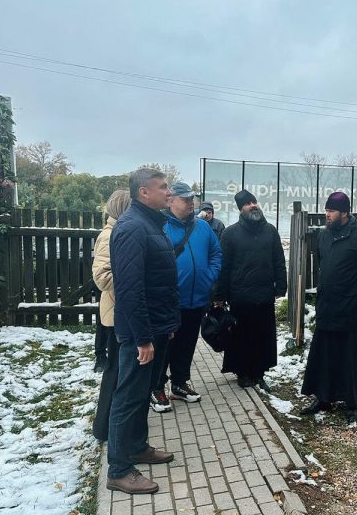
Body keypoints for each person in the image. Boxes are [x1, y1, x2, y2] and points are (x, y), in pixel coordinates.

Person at [106, 168, 180, 495]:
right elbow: (131, 289)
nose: (169, 192)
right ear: (143, 193)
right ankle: (119, 470)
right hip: (141, 334)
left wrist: (167, 327)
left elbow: (160, 281)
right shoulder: (132, 228)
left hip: (157, 327)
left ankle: (137, 447)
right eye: (163, 187)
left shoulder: (153, 224)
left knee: (141, 396)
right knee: (127, 398)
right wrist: (143, 338)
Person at [300, 191, 357, 423]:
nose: (327, 214)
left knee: (349, 355)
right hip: (327, 305)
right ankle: (323, 397)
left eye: (332, 211)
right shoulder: (324, 236)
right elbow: (323, 264)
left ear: (345, 212)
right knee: (324, 354)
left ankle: (351, 401)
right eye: (326, 210)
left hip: (351, 308)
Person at [152, 182, 222, 410]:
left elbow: (216, 253)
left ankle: (179, 384)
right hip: (171, 300)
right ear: (170, 200)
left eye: (192, 198)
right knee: (165, 347)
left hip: (197, 299)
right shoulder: (160, 227)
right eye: (185, 199)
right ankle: (156, 388)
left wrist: (208, 277)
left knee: (187, 344)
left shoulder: (202, 227)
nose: (191, 202)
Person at [214, 189, 287, 389]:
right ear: (241, 209)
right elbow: (224, 267)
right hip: (240, 296)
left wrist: (281, 285)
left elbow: (279, 260)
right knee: (242, 337)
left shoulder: (270, 230)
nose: (253, 205)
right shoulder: (230, 233)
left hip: (264, 295)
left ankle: (259, 373)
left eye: (254, 201)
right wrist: (220, 295)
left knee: (262, 336)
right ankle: (243, 373)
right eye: (248, 203)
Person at [91, 189, 132, 442]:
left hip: (121, 312)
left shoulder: (120, 232)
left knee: (119, 371)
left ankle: (108, 425)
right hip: (117, 313)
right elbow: (103, 277)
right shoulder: (109, 235)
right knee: (115, 371)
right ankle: (104, 427)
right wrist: (135, 281)